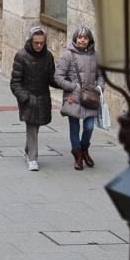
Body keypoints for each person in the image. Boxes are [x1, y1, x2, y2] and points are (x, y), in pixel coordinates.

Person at [54, 26, 101, 171]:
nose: (82, 40)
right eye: (80, 37)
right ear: (75, 38)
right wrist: (73, 87)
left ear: (89, 40)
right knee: (74, 127)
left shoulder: (95, 55)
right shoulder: (68, 55)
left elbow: (101, 76)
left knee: (89, 127)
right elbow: (58, 77)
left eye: (85, 37)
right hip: (73, 98)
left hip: (90, 97)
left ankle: (84, 148)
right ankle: (78, 155)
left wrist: (100, 88)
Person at [10, 26, 56, 172]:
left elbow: (51, 78)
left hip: (43, 97)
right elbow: (15, 82)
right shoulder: (21, 56)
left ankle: (27, 149)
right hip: (28, 97)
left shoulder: (48, 56)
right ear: (30, 41)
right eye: (36, 42)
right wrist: (24, 97)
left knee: (35, 128)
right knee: (31, 126)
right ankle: (33, 159)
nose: (38, 45)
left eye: (41, 43)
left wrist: (64, 83)